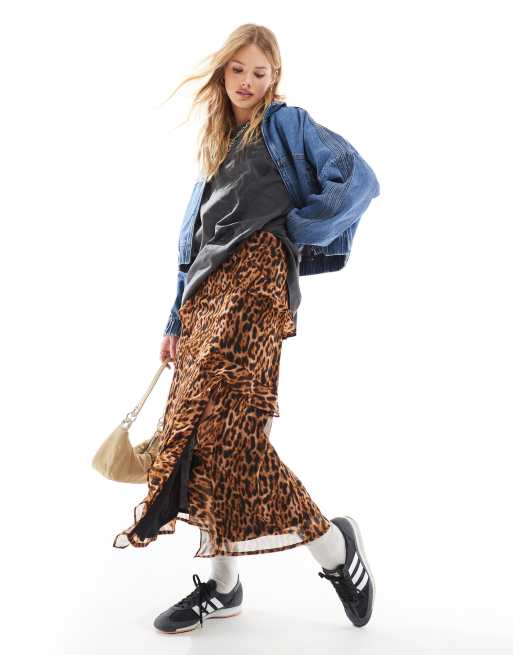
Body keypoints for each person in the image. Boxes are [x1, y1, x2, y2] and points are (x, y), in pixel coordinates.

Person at [112, 24, 379, 634]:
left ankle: (335, 549)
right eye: (238, 70)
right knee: (199, 439)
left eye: (260, 72)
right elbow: (194, 246)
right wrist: (176, 318)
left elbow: (358, 179)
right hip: (206, 302)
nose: (248, 82)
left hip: (256, 289)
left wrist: (297, 232)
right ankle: (223, 585)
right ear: (223, 72)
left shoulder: (286, 124)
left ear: (273, 77)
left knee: (234, 435)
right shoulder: (216, 146)